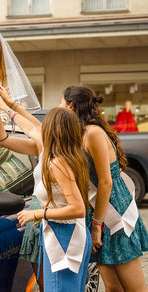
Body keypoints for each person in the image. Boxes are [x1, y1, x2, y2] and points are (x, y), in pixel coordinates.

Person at [0, 89, 92, 291]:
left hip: (65, 237)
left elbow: (79, 208)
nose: (41, 128)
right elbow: (2, 140)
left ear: (54, 131)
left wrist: (35, 213)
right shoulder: (54, 153)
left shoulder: (58, 163)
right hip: (60, 232)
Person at [61, 86, 148, 292]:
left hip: (114, 214)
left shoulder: (94, 133)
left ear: (71, 106)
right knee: (113, 287)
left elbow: (106, 182)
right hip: (97, 212)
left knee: (135, 289)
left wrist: (96, 225)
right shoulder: (79, 134)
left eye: (61, 103)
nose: (59, 107)